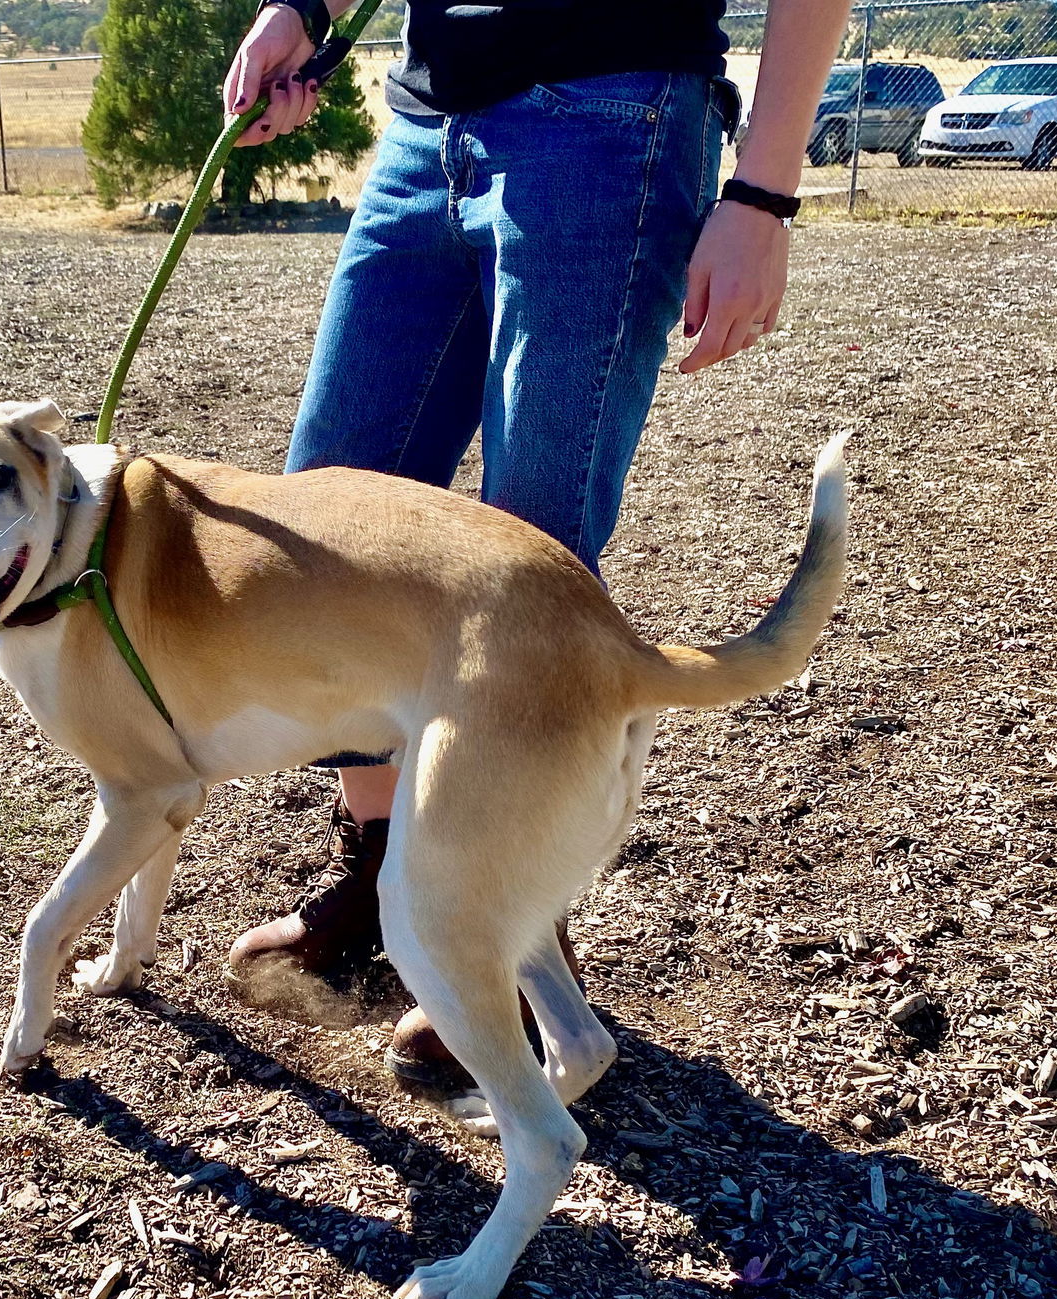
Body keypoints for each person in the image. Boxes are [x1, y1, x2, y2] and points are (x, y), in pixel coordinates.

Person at [220, 0, 854, 1098]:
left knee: (528, 566)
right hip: (428, 121)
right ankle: (385, 884)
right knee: (323, 546)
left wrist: (763, 190)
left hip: (612, 113)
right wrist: (303, 8)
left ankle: (510, 936)